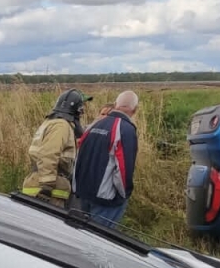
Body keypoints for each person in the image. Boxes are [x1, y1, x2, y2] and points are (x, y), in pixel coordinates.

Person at [73, 91, 140, 226]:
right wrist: (124, 194)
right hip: (105, 198)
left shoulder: (95, 125)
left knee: (83, 233)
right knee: (99, 238)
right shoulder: (126, 130)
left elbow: (79, 154)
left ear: (115, 105)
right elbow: (123, 169)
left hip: (83, 191)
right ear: (135, 109)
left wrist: (77, 187)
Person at [21, 89, 90, 206]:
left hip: (40, 184)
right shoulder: (61, 125)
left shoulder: (52, 122)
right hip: (47, 192)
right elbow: (49, 153)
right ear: (76, 110)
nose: (82, 113)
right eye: (81, 109)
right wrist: (46, 187)